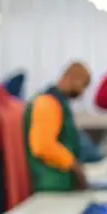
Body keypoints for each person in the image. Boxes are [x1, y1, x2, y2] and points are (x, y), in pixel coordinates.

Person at [25, 61, 91, 192]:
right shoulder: (46, 104)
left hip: (60, 182)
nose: (82, 93)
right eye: (82, 86)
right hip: (50, 183)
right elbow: (42, 146)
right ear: (72, 79)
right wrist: (73, 165)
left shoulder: (60, 104)